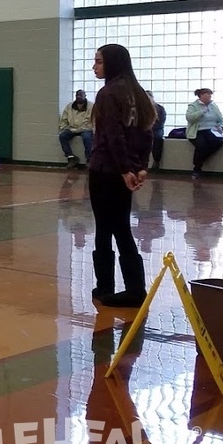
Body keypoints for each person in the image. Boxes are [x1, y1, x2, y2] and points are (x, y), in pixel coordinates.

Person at [87, 44, 155, 308]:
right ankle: (134, 287)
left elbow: (112, 136)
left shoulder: (107, 93)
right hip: (124, 170)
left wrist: (125, 169)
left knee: (105, 229)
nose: (95, 66)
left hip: (106, 170)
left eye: (99, 61)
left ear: (112, 64)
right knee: (122, 227)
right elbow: (147, 132)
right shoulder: (138, 93)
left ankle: (107, 287)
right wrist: (140, 167)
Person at [186, 88, 223, 178]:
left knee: (219, 142)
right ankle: (197, 168)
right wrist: (201, 112)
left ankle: (201, 160)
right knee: (201, 146)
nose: (209, 96)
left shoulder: (213, 106)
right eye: (207, 94)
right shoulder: (193, 106)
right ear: (201, 95)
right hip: (198, 130)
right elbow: (190, 118)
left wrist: (221, 126)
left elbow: (221, 119)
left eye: (210, 95)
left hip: (212, 130)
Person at [58, 90, 93, 168]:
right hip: (72, 128)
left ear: (85, 96)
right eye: (77, 95)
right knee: (62, 136)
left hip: (86, 128)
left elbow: (92, 120)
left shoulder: (91, 106)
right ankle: (71, 157)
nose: (78, 97)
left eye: (81, 95)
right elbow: (64, 118)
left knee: (87, 138)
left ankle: (89, 159)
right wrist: (63, 127)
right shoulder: (69, 106)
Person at [146, 91, 166, 170]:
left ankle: (156, 160)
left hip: (157, 128)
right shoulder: (140, 108)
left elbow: (161, 121)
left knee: (157, 138)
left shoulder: (160, 108)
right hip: (145, 128)